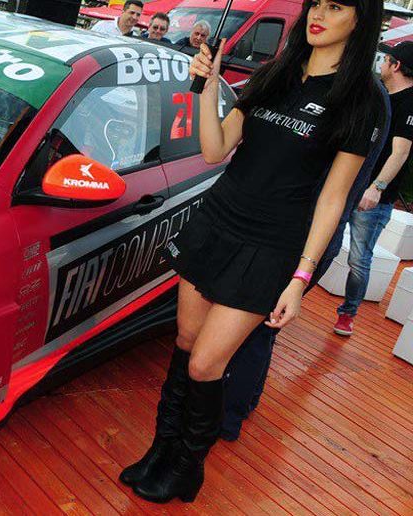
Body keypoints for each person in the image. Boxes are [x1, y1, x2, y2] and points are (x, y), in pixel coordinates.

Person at [120, 0, 384, 504]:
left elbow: (333, 199)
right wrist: (208, 87)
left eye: (335, 6)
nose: (319, 14)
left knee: (205, 364)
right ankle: (161, 451)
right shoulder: (275, 74)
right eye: (316, 3)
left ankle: (188, 467)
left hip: (271, 246)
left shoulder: (360, 100)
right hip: (217, 222)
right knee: (185, 343)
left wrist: (301, 278)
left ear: (360, 19)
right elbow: (215, 149)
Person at [221, 77, 391, 442]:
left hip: (305, 233)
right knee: (264, 326)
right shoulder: (370, 95)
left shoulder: (361, 96)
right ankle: (241, 405)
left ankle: (229, 417)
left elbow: (330, 183)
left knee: (257, 326)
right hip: (310, 230)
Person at [333, 41, 413, 336]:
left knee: (358, 258)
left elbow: (400, 152)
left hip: (373, 198)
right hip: (347, 185)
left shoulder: (409, 103)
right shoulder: (378, 95)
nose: (381, 63)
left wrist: (376, 188)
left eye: (386, 59)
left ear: (396, 66)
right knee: (323, 243)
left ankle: (347, 314)